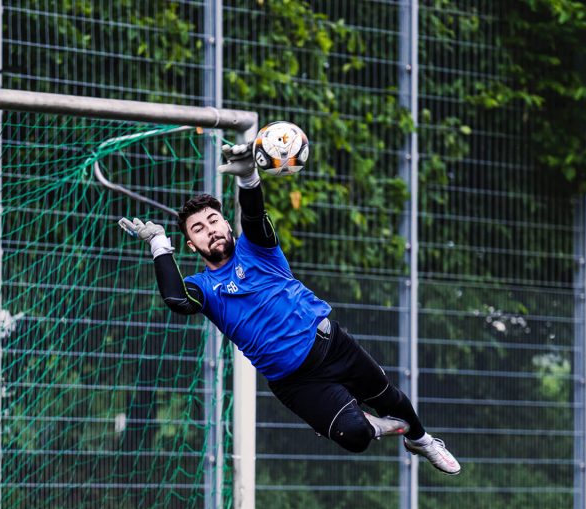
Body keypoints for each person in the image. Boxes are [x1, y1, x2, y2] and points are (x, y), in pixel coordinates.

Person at [119, 141, 460, 475]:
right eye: (199, 229)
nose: (210, 230)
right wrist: (159, 245)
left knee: (394, 400)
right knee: (354, 436)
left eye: (214, 220)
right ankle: (368, 423)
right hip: (295, 381)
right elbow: (177, 300)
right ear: (191, 245)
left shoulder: (256, 248)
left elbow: (253, 215)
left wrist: (249, 178)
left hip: (331, 344)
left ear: (226, 223)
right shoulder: (203, 288)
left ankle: (421, 440)